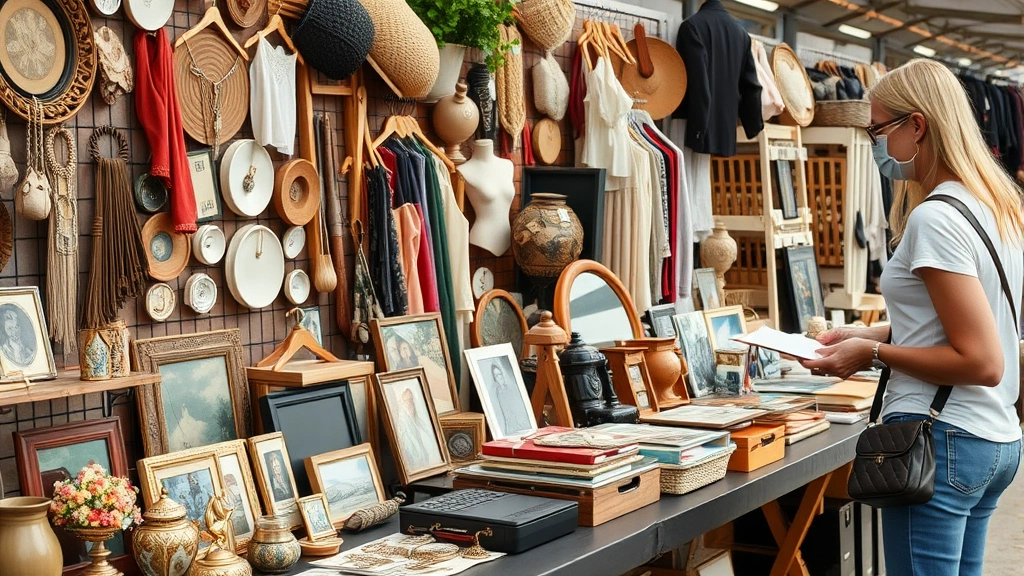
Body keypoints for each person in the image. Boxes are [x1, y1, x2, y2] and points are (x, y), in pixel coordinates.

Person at [802, 59, 1022, 576]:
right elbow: (972, 320)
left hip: (939, 438)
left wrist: (871, 353)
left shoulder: (935, 218)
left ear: (917, 125)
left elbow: (982, 359)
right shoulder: (996, 205)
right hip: (991, 436)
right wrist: (869, 332)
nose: (876, 144)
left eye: (878, 129)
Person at [394, 386, 441, 471]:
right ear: (402, 404)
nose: (410, 404)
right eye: (407, 401)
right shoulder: (401, 427)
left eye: (411, 400)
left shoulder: (420, 422)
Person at [487, 361, 531, 437]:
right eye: (497, 376)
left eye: (500, 374)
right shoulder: (497, 392)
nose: (500, 377)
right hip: (508, 427)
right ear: (495, 378)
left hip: (520, 424)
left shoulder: (511, 388)